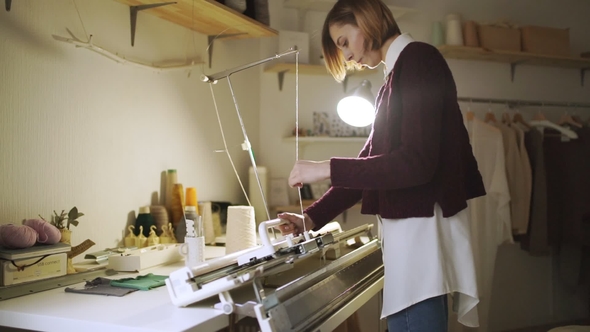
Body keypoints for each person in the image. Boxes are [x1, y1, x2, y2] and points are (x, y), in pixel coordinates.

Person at [277, 0, 486, 331]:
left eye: (344, 41)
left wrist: (325, 168)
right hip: (409, 237)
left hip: (421, 237)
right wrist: (310, 218)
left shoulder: (418, 59)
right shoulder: (394, 78)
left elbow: (416, 163)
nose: (346, 56)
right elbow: (368, 168)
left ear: (365, 20)